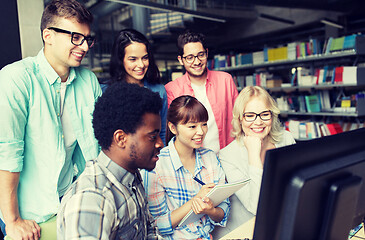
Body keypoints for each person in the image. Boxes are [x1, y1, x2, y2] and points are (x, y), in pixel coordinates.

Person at [0, 0, 101, 239]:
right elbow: (7, 153)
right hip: (29, 213)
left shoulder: (88, 81)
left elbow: (98, 146)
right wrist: (13, 221)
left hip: (71, 202)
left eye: (87, 39)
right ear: (48, 35)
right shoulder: (16, 79)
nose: (84, 46)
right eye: (76, 37)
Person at [57, 83, 164, 239]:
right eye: (153, 137)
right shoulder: (92, 200)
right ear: (121, 138)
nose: (160, 143)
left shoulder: (130, 175)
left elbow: (149, 231)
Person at [142, 95, 230, 240]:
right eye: (192, 126)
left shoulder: (210, 158)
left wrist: (211, 210)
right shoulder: (156, 164)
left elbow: (223, 211)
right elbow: (155, 225)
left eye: (204, 124)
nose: (201, 132)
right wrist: (195, 201)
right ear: (172, 128)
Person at [213, 86, 296, 238]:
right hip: (244, 231)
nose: (258, 122)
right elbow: (258, 207)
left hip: (278, 222)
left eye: (264, 114)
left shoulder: (286, 139)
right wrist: (253, 154)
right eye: (250, 116)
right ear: (240, 119)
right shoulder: (227, 156)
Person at [164, 30, 238, 153]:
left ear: (207, 53)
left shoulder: (225, 80)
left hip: (227, 155)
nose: (197, 62)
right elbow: (172, 131)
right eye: (190, 58)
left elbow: (239, 117)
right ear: (180, 60)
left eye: (201, 55)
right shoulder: (172, 89)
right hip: (192, 160)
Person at [109, 28, 168, 145]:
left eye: (145, 58)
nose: (141, 65)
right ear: (121, 60)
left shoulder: (159, 91)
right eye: (133, 59)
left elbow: (162, 133)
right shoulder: (106, 92)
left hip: (152, 158)